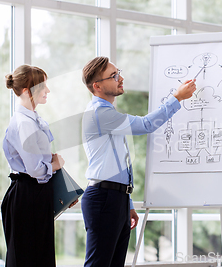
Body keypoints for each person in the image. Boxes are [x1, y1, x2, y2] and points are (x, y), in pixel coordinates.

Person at [81, 56, 196, 267]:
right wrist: (177, 98)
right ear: (97, 86)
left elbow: (118, 163)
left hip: (115, 198)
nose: (121, 78)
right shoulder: (99, 114)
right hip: (104, 198)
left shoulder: (108, 114)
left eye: (118, 72)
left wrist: (127, 202)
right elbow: (146, 124)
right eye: (114, 76)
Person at [1, 64, 68, 267]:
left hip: (34, 193)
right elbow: (36, 170)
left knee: (38, 256)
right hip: (28, 194)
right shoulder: (25, 123)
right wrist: (55, 164)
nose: (47, 90)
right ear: (25, 90)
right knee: (28, 257)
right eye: (42, 86)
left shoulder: (33, 120)